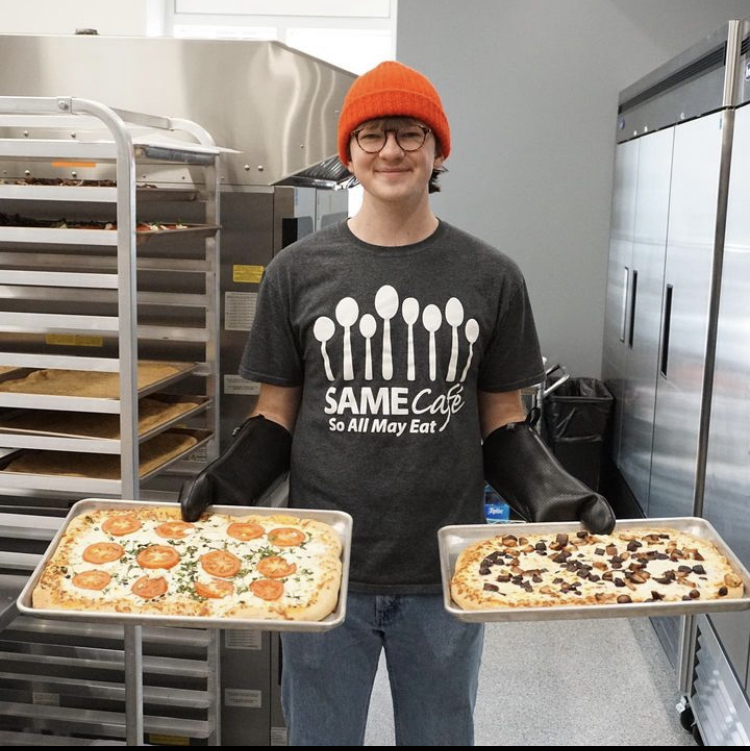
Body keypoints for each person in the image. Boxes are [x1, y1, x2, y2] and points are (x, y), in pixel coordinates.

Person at [180, 60, 615, 746]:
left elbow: (504, 423)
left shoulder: (492, 275)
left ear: (439, 149)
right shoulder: (296, 273)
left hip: (443, 568)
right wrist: (226, 478)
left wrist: (552, 493)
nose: (391, 151)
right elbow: (274, 414)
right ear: (348, 152)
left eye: (411, 134)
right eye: (373, 135)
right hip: (325, 565)